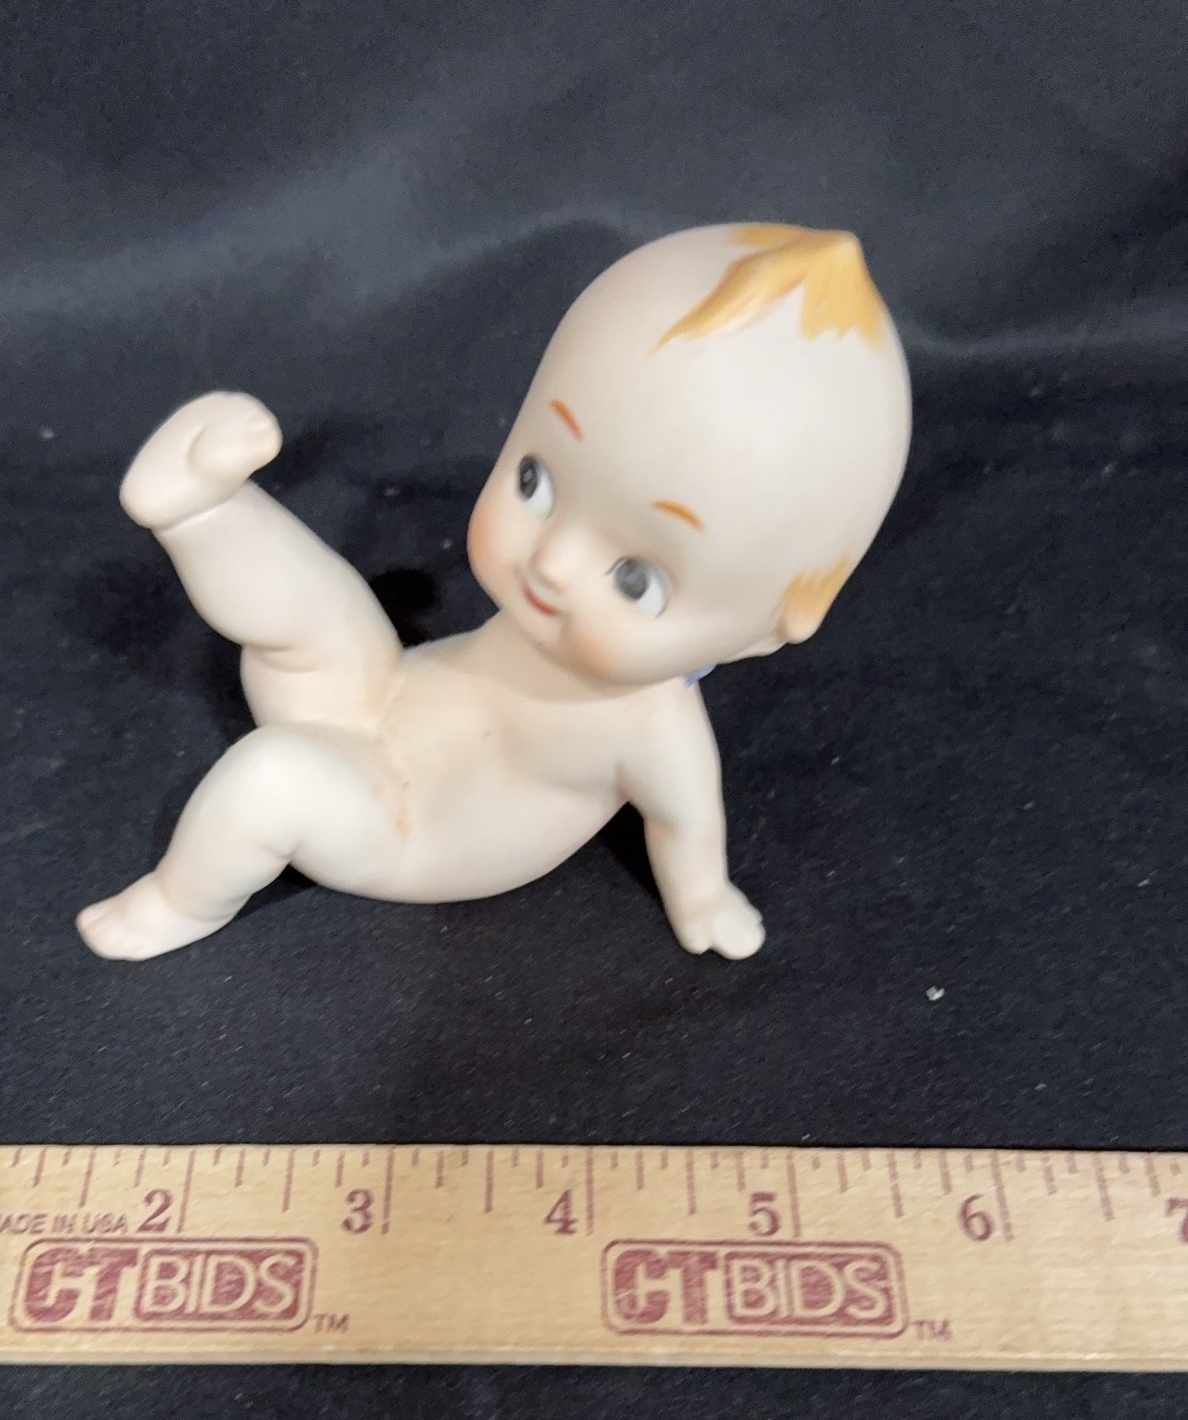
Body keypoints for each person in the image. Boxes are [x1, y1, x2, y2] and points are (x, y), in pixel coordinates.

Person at [77, 223, 911, 961]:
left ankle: (177, 901)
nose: (551, 563)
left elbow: (684, 823)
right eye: (535, 480)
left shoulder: (652, 729)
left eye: (636, 578)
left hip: (406, 822)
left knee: (270, 777)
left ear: (766, 630)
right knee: (324, 612)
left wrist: (703, 898)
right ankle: (204, 510)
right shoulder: (561, 610)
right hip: (386, 693)